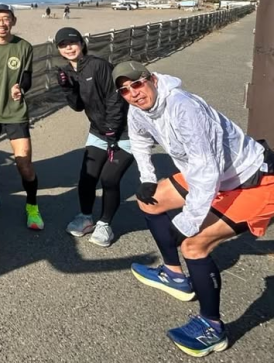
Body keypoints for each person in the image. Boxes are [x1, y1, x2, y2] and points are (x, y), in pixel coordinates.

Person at [114, 60, 274, 357]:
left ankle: (213, 328)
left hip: (254, 180)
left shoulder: (183, 107)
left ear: (152, 79)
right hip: (210, 173)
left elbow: (206, 170)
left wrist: (188, 221)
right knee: (149, 201)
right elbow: (138, 140)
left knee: (194, 245)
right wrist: (147, 178)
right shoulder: (138, 109)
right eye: (124, 90)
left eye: (137, 83)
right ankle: (174, 276)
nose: (133, 93)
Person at [55, 27, 134, 247]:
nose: (68, 48)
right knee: (87, 177)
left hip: (125, 132)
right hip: (99, 132)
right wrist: (67, 88)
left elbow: (115, 98)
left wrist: (112, 130)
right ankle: (86, 217)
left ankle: (105, 224)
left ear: (82, 43)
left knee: (109, 179)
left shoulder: (99, 65)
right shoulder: (68, 71)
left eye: (72, 43)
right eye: (63, 45)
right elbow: (78, 106)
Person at [0, 4, 42, 228]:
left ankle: (32, 205)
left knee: (24, 163)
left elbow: (27, 77)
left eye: (6, 18)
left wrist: (21, 88)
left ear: (13, 21)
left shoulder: (24, 47)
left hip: (16, 112)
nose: (1, 23)